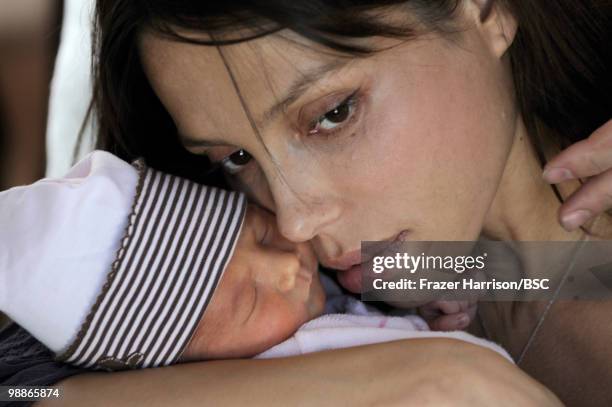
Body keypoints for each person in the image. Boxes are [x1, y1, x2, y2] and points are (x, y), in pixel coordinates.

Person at [1, 0, 611, 405]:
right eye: (234, 158)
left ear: (483, 10)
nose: (293, 219)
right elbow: (26, 394)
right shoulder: (406, 276)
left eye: (333, 113)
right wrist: (420, 375)